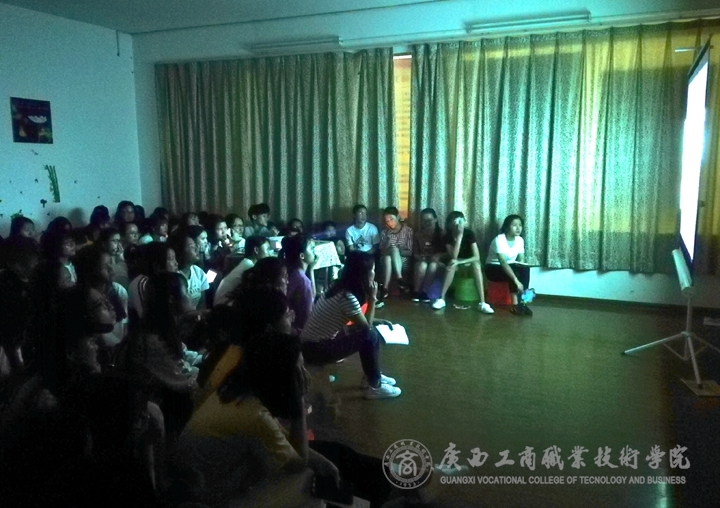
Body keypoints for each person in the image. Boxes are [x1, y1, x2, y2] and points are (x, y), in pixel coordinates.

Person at [173, 328, 394, 508]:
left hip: (217, 482)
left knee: (336, 455)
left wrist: (319, 459)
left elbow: (283, 437)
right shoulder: (254, 415)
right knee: (310, 480)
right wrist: (299, 403)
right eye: (299, 368)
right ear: (279, 374)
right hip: (217, 498)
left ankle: (391, 483)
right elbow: (298, 463)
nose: (305, 375)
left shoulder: (236, 391)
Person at [301, 251, 400, 399]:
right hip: (317, 350)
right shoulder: (348, 297)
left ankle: (371, 376)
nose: (374, 273)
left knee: (366, 333)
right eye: (372, 269)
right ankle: (375, 386)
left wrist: (377, 320)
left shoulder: (337, 285)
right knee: (370, 336)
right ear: (363, 274)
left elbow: (355, 319)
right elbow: (366, 328)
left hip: (309, 345)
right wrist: (373, 298)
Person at [432, 211, 494, 313]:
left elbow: (476, 257)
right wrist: (459, 236)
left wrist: (461, 262)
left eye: (461, 221)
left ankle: (482, 303)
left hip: (468, 262)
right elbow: (454, 256)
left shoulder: (469, 234)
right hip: (456, 263)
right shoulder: (447, 236)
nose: (458, 225)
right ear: (450, 224)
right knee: (452, 263)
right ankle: (442, 299)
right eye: (455, 223)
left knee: (476, 265)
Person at [0, 236, 39, 375]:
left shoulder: (36, 278)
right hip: (16, 345)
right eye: (33, 262)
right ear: (13, 264)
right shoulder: (6, 287)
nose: (37, 265)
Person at [485, 214, 532, 316]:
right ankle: (515, 305)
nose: (518, 228)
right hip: (493, 269)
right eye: (514, 225)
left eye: (520, 225)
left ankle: (523, 303)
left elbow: (521, 260)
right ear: (506, 227)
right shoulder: (499, 239)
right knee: (513, 269)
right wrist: (516, 281)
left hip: (510, 267)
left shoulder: (520, 240)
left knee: (525, 268)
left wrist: (522, 274)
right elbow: (503, 262)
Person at [213, 236, 271, 306]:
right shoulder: (250, 267)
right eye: (267, 249)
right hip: (224, 306)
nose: (269, 253)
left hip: (224, 303)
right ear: (256, 250)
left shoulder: (247, 263)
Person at [281, 235, 316, 330]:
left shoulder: (292, 272)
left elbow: (311, 296)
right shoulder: (303, 280)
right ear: (302, 256)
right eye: (311, 248)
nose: (314, 251)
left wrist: (311, 269)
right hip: (299, 329)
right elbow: (308, 316)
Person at [378, 206, 413, 301]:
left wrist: (397, 251)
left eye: (391, 219)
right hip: (385, 259)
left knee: (390, 255)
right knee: (388, 256)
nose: (389, 222)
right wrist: (388, 243)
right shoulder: (384, 232)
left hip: (403, 260)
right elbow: (381, 251)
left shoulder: (408, 231)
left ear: (398, 217)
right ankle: (399, 279)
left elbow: (410, 251)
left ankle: (385, 289)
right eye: (387, 220)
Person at [169, 230, 209, 310]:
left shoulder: (198, 272)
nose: (197, 249)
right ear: (180, 251)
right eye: (191, 247)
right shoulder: (173, 276)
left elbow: (202, 303)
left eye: (195, 245)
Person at [412, 208, 444, 303]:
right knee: (423, 265)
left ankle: (425, 292)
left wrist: (439, 255)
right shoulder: (418, 235)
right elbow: (415, 254)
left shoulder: (442, 234)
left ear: (435, 219)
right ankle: (416, 291)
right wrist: (421, 258)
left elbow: (447, 252)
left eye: (430, 220)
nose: (427, 223)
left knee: (433, 265)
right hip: (422, 261)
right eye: (424, 221)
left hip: (437, 262)